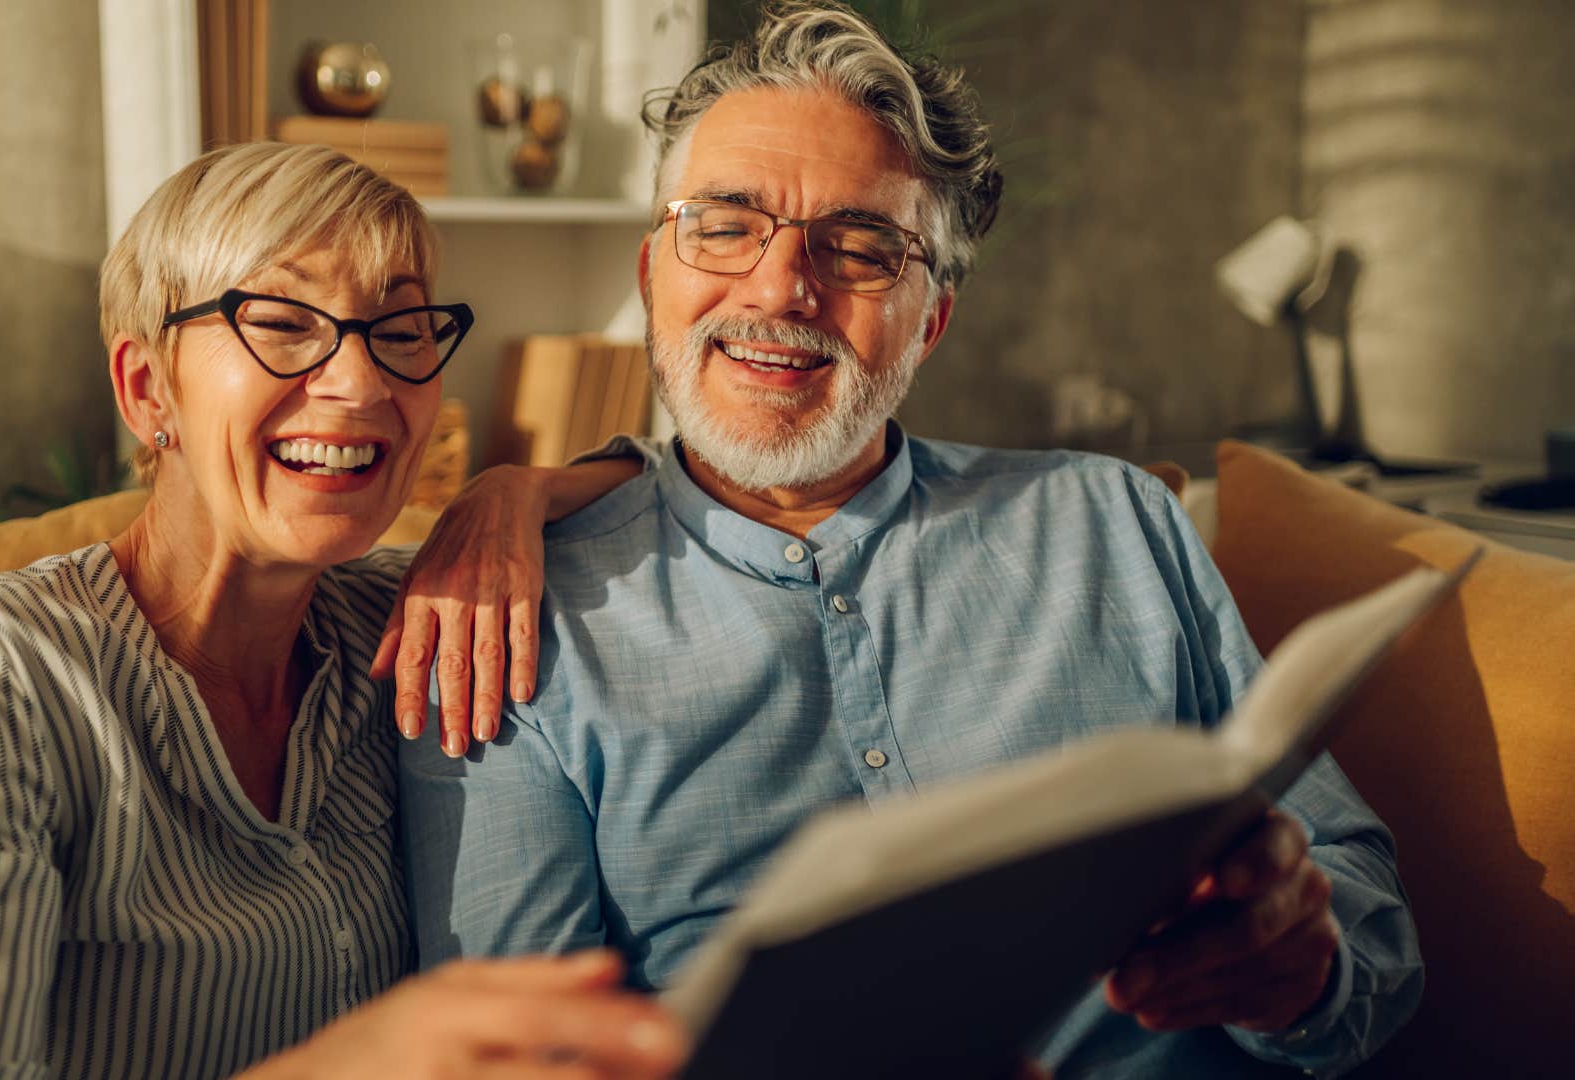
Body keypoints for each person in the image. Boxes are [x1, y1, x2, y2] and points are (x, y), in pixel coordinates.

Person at [397, 4, 1422, 1077]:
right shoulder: (503, 620)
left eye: (861, 248)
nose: (782, 287)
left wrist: (1305, 967)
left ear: (929, 320)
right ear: (654, 271)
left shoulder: (1114, 522)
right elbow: (513, 1057)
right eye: (725, 224)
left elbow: (1370, 919)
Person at [0, 141, 685, 1080]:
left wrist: (515, 490)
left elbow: (691, 473)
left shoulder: (405, 620)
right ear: (149, 388)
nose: (360, 385)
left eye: (399, 330)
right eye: (279, 322)